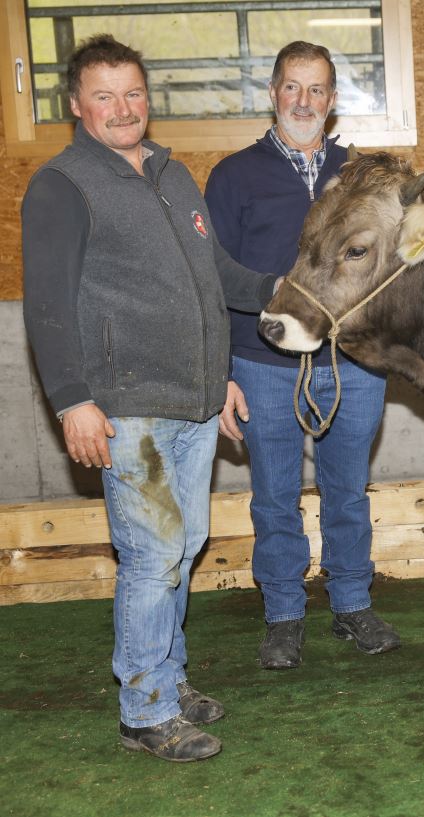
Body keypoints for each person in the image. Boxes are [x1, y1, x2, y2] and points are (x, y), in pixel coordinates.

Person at [21, 35, 279, 762]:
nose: (122, 108)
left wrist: (265, 308)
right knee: (154, 555)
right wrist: (73, 400)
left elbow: (213, 277)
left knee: (183, 546)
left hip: (194, 401)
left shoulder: (173, 174)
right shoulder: (62, 185)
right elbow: (46, 304)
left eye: (132, 92)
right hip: (124, 407)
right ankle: (144, 711)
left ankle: (166, 675)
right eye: (104, 96)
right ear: (76, 105)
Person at [204, 41, 398, 672]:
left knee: (347, 490)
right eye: (293, 87)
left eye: (317, 90)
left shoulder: (363, 177)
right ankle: (284, 616)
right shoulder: (234, 176)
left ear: (333, 100)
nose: (304, 101)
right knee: (274, 495)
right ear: (273, 92)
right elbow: (215, 277)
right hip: (263, 364)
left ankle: (352, 604)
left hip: (353, 364)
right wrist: (222, 373)